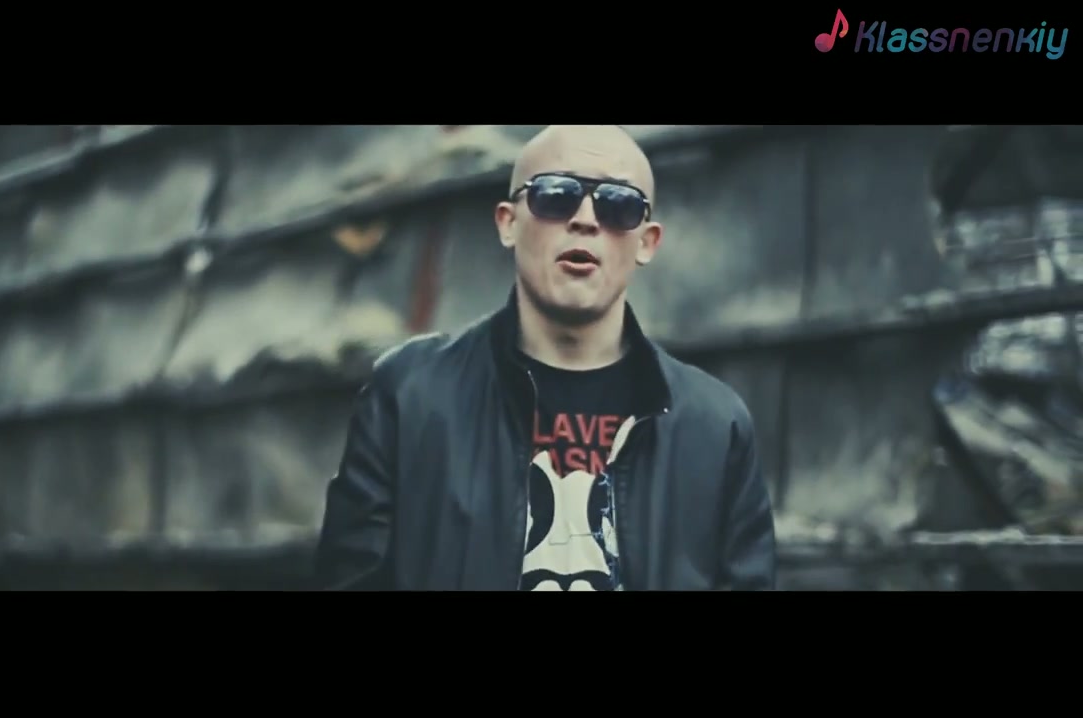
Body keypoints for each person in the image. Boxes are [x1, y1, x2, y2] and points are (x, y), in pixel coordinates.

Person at [313, 125, 776, 591]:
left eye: (619, 204)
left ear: (647, 241)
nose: (586, 219)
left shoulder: (716, 426)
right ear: (508, 223)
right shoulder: (409, 396)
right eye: (556, 195)